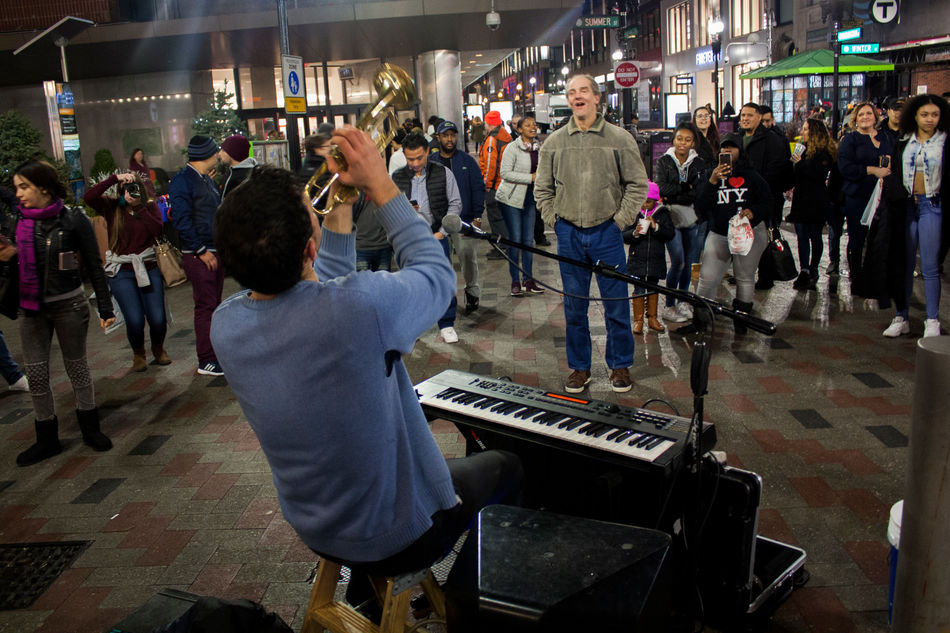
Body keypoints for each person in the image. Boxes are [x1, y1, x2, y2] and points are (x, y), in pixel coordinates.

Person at [210, 129, 523, 628]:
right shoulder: (360, 308)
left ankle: (368, 593)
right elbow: (438, 277)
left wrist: (335, 209)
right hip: (399, 534)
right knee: (510, 465)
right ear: (309, 248)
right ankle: (474, 606)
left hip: (317, 524)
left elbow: (318, 289)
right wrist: (381, 185)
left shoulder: (224, 324)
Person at [536, 74, 648, 394]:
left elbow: (638, 185)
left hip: (607, 233)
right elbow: (542, 189)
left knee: (616, 303)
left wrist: (620, 221)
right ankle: (580, 368)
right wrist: (554, 220)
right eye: (571, 92)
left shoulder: (619, 138)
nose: (577, 96)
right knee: (574, 306)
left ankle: (620, 364)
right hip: (569, 233)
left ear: (597, 98)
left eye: (583, 90)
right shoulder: (555, 142)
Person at [3, 160, 115, 466]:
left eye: (24, 186)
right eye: (16, 188)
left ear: (44, 187)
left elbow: (94, 264)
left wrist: (105, 307)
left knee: (77, 368)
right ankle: (46, 439)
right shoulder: (18, 221)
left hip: (69, 305)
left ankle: (90, 429)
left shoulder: (73, 219)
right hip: (31, 310)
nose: (19, 194)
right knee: (37, 375)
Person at [684, 134, 772, 335]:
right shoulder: (711, 175)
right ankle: (701, 321)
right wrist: (713, 181)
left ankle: (741, 321)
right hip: (720, 233)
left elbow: (768, 202)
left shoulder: (752, 176)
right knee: (707, 278)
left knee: (745, 277)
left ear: (740, 151)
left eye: (732, 148)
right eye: (724, 149)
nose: (727, 152)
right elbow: (701, 206)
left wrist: (753, 212)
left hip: (748, 234)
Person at [879, 94, 950, 338]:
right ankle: (901, 316)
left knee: (930, 266)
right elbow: (893, 172)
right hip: (905, 207)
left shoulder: (944, 142)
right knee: (903, 264)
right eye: (924, 114)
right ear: (915, 116)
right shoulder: (904, 141)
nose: (930, 119)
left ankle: (932, 319)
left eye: (935, 115)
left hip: (933, 206)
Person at [83, 171, 170, 371]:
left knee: (157, 317)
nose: (131, 192)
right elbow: (89, 198)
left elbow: (157, 231)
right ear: (121, 191)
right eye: (127, 189)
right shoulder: (112, 208)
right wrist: (115, 179)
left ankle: (158, 348)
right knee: (135, 318)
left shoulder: (149, 207)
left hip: (148, 267)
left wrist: (138, 205)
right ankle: (138, 353)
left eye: (134, 188)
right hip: (121, 271)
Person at [392, 132, 463, 343]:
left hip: (437, 235)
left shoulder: (443, 173)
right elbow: (389, 209)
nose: (414, 163)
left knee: (442, 281)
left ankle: (447, 324)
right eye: (410, 158)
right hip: (408, 239)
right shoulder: (396, 177)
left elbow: (455, 204)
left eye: (419, 158)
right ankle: (414, 325)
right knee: (410, 284)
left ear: (427, 153)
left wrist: (441, 232)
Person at [168, 135, 225, 376]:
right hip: (199, 253)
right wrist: (200, 251)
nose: (219, 155)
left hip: (212, 250)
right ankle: (206, 359)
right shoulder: (183, 181)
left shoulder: (202, 179)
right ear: (208, 154)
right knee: (206, 306)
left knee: (213, 304)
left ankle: (215, 353)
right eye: (216, 152)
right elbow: (181, 219)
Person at [837, 102, 893, 298]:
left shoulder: (885, 137)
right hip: (858, 195)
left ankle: (877, 279)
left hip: (882, 195)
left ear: (875, 117)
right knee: (857, 238)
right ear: (855, 118)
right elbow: (844, 167)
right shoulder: (850, 139)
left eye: (869, 113)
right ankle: (857, 279)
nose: (865, 117)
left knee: (880, 238)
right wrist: (871, 170)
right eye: (861, 114)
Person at [430, 120, 486, 312]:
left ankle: (472, 292)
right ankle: (445, 297)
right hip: (439, 223)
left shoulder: (467, 161)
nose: (449, 139)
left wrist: (477, 215)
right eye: (445, 135)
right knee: (442, 261)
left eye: (452, 135)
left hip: (464, 220)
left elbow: (478, 188)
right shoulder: (432, 163)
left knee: (467, 256)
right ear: (438, 138)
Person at [655, 122, 708, 324]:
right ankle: (669, 304)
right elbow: (661, 188)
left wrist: (678, 191)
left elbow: (699, 192)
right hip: (670, 217)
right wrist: (685, 187)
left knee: (689, 262)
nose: (682, 143)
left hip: (692, 217)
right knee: (678, 260)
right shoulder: (664, 161)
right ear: (673, 139)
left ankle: (683, 300)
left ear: (693, 142)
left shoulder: (698, 163)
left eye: (687, 139)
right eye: (679, 138)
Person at [737, 102, 793, 290]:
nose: (745, 118)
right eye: (743, 115)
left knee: (765, 236)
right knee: (742, 236)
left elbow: (777, 169)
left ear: (759, 117)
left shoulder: (771, 139)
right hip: (741, 197)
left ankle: (766, 275)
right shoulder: (736, 138)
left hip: (765, 198)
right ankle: (743, 273)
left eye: (749, 115)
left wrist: (759, 189)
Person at [496, 113, 544, 296]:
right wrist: (530, 178)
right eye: (528, 125)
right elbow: (505, 173)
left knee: (528, 241)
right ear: (519, 129)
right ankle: (515, 281)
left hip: (530, 199)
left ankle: (528, 280)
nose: (533, 127)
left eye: (534, 124)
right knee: (515, 241)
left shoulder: (539, 148)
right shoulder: (512, 148)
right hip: (511, 199)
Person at [787, 118, 836, 290]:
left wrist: (800, 163)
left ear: (814, 132)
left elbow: (819, 175)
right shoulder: (802, 148)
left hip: (816, 199)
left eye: (806, 129)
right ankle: (804, 270)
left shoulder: (824, 152)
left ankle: (813, 268)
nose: (802, 132)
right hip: (801, 198)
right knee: (801, 235)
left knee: (815, 235)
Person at [622, 182, 675, 334]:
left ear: (655, 201)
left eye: (648, 201)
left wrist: (656, 226)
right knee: (638, 289)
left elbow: (670, 234)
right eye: (642, 201)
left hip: (655, 260)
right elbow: (624, 235)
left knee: (653, 288)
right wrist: (635, 233)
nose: (645, 205)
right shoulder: (634, 213)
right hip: (637, 259)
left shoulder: (662, 213)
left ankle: (652, 317)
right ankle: (638, 320)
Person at [479, 110, 513, 256]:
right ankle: (506, 245)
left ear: (489, 123)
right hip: (504, 183)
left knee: (495, 217)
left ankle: (502, 248)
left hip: (495, 186)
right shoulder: (506, 135)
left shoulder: (492, 139)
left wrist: (487, 185)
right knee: (503, 217)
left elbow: (489, 165)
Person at [219, 134, 257, 199]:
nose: (219, 153)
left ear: (233, 153)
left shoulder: (242, 179)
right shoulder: (232, 172)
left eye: (223, 150)